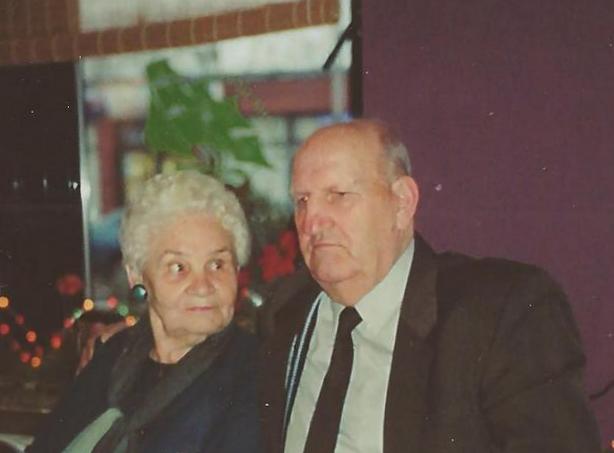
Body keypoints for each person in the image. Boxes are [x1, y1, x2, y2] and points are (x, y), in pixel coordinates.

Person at [259, 119, 601, 453]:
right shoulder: (285, 313)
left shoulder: (499, 313)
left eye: (338, 195)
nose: (312, 221)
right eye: (302, 201)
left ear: (402, 203)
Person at [28, 171, 261, 452]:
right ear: (136, 275)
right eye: (178, 267)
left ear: (237, 269)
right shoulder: (113, 355)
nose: (202, 286)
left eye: (217, 264)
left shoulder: (254, 374)